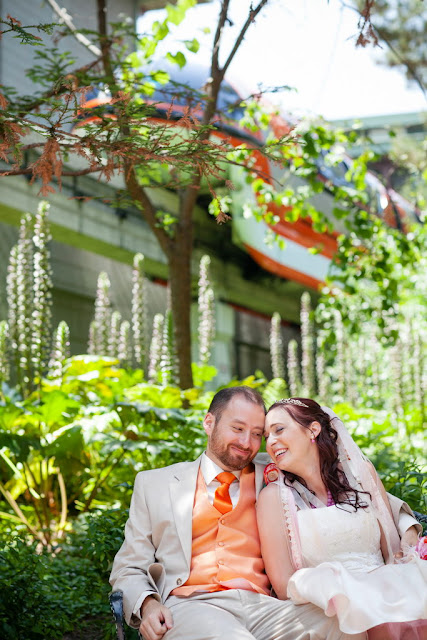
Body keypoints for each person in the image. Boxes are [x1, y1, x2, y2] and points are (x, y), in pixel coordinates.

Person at [110, 386, 355, 640]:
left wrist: (401, 522)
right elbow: (128, 566)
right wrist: (148, 605)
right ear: (209, 422)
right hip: (192, 606)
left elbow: (347, 484)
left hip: (267, 608)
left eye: (257, 434)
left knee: (346, 622)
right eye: (237, 429)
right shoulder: (155, 484)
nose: (246, 443)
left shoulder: (277, 469)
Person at [257, 398, 427, 640]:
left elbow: (391, 549)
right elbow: (284, 585)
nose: (271, 441)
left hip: (386, 593)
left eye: (279, 429)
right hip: (328, 606)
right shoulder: (273, 498)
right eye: (266, 436)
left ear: (313, 430)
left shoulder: (360, 475)